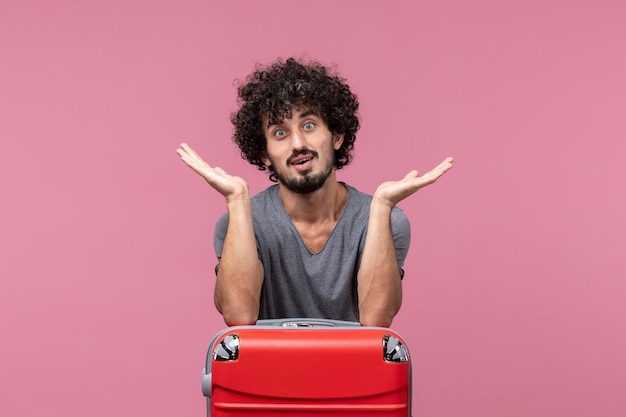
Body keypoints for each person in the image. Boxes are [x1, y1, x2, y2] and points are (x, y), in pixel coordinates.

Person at [177, 57, 453, 327]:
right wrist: (236, 200)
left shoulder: (389, 220)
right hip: (267, 374)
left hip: (354, 373)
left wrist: (381, 206)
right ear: (264, 154)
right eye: (280, 133)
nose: (298, 143)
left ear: (336, 136)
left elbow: (376, 320)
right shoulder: (237, 223)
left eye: (309, 125)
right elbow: (238, 316)